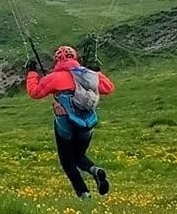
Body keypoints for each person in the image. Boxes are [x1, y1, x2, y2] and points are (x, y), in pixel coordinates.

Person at [25, 44, 114, 198]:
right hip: (87, 123)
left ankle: (84, 195)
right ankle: (95, 171)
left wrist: (32, 73)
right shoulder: (87, 75)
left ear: (57, 60)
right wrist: (97, 72)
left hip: (65, 124)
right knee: (79, 156)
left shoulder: (53, 77)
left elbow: (35, 93)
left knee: (67, 162)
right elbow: (108, 88)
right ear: (75, 58)